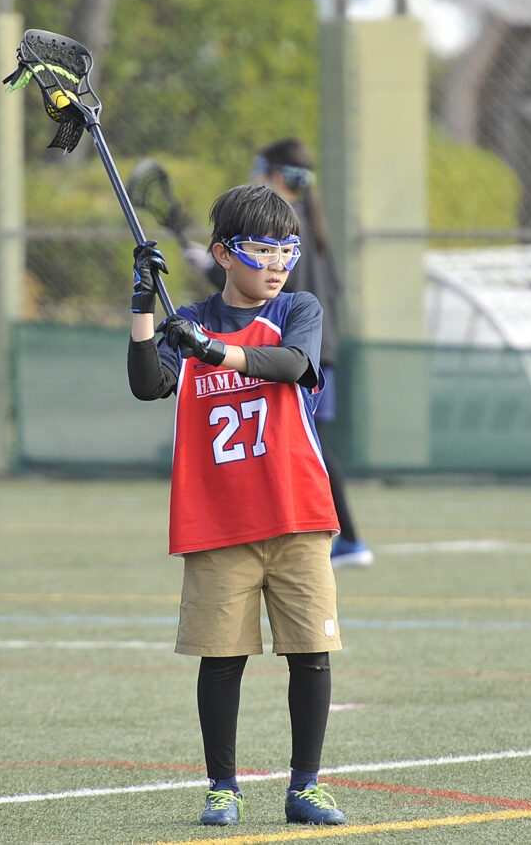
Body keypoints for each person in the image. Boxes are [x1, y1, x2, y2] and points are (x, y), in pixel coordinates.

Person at [126, 183, 347, 828]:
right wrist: (143, 305)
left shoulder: (297, 308)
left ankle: (306, 785)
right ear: (223, 254)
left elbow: (292, 363)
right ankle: (223, 787)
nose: (278, 264)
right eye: (262, 250)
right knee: (221, 659)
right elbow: (147, 383)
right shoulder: (189, 319)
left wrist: (214, 350)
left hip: (297, 514)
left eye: (287, 250)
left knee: (310, 653)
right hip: (218, 520)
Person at [251, 139, 373, 569]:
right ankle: (336, 537)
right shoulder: (312, 225)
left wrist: (213, 268)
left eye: (259, 169)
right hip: (318, 353)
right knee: (304, 444)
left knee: (305, 447)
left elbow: (264, 286)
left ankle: (346, 538)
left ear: (276, 175)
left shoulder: (285, 229)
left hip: (301, 355)